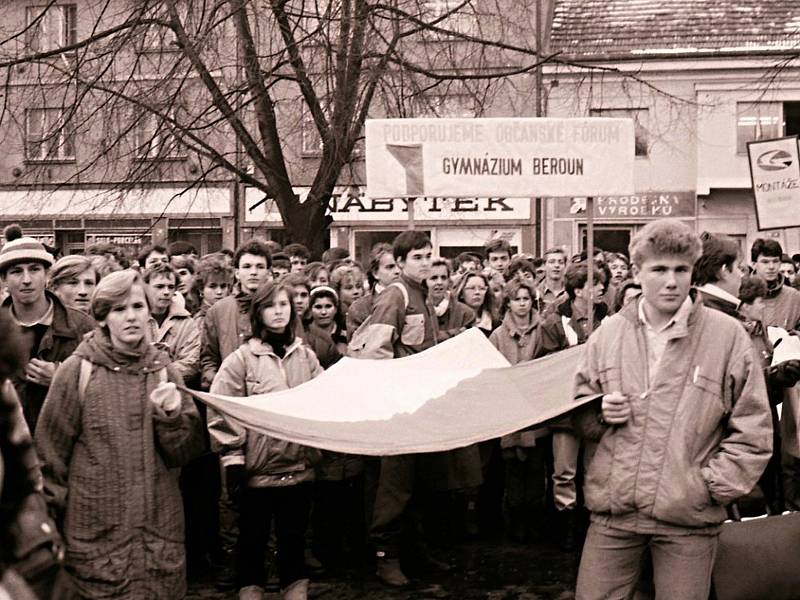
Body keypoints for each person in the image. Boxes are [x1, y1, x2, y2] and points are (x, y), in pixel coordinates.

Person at [573, 219, 772, 600]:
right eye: (659, 269)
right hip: (614, 515)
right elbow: (578, 410)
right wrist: (598, 411)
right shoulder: (609, 333)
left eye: (681, 270)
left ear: (693, 271)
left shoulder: (727, 336)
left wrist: (708, 487)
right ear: (637, 272)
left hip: (688, 520)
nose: (671, 281)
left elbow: (754, 429)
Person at [35, 270, 203, 599]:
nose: (131, 317)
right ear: (101, 318)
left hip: (158, 540)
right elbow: (49, 459)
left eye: (138, 306)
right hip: (96, 543)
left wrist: (171, 418)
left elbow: (185, 454)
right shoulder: (77, 370)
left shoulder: (164, 370)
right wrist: (47, 534)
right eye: (118, 309)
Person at [357, 231, 465, 587]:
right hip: (399, 406)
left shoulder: (424, 297)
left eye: (428, 256)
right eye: (416, 257)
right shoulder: (396, 295)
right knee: (394, 485)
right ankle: (385, 557)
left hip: (423, 404)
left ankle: (415, 552)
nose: (424, 262)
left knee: (421, 482)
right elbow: (375, 353)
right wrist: (395, 391)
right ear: (400, 263)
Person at [209, 281, 323, 600]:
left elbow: (323, 401)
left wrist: (315, 449)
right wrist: (232, 458)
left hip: (298, 471)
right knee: (252, 543)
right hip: (256, 476)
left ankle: (294, 592)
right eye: (271, 306)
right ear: (258, 312)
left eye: (284, 305)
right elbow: (223, 409)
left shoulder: (305, 357)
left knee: (293, 542)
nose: (279, 311)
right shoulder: (242, 359)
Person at [693, 232, 800, 513]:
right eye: (739, 268)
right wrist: (773, 377)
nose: (743, 277)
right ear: (722, 270)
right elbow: (727, 387)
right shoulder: (716, 315)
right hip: (724, 451)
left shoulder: (716, 311)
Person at [489, 279, 567, 542]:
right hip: (509, 411)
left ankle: (535, 525)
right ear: (507, 303)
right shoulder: (498, 335)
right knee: (512, 469)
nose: (521, 304)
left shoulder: (543, 329)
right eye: (516, 299)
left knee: (536, 469)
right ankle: (514, 524)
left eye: (525, 298)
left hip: (537, 408)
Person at [0, 237, 94, 433]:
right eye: (16, 271)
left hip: (64, 447)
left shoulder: (82, 325)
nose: (26, 279)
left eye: (34, 269)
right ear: (3, 280)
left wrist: (61, 378)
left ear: (47, 275)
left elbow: (105, 391)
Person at [201, 240, 273, 390]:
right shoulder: (218, 310)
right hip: (231, 393)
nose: (253, 272)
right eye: (247, 266)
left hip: (271, 393)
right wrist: (218, 381)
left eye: (260, 267)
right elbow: (209, 357)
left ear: (268, 272)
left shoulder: (281, 306)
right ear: (237, 273)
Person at [143, 263, 201, 384]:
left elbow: (191, 363)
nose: (166, 292)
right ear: (145, 287)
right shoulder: (136, 318)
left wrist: (158, 375)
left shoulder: (187, 323)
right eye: (159, 286)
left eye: (171, 287)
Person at [346, 243, 401, 335]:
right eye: (390, 267)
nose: (397, 271)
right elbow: (356, 346)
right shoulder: (359, 308)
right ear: (375, 273)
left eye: (400, 266)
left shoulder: (413, 301)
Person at [751, 238, 800, 330]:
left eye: (775, 261)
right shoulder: (740, 294)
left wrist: (791, 338)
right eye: (765, 262)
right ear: (754, 264)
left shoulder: (795, 297)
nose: (771, 267)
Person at [428, 258, 474, 341]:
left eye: (443, 277)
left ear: (449, 280)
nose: (439, 282)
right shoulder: (416, 310)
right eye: (434, 278)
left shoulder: (466, 314)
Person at [454, 272, 499, 337]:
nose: (477, 292)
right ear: (461, 293)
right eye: (472, 288)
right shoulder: (452, 323)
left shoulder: (496, 324)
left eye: (482, 288)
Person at [537, 247, 568, 313]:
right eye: (552, 262)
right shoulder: (536, 292)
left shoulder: (571, 292)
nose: (556, 265)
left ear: (565, 266)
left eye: (560, 262)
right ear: (544, 265)